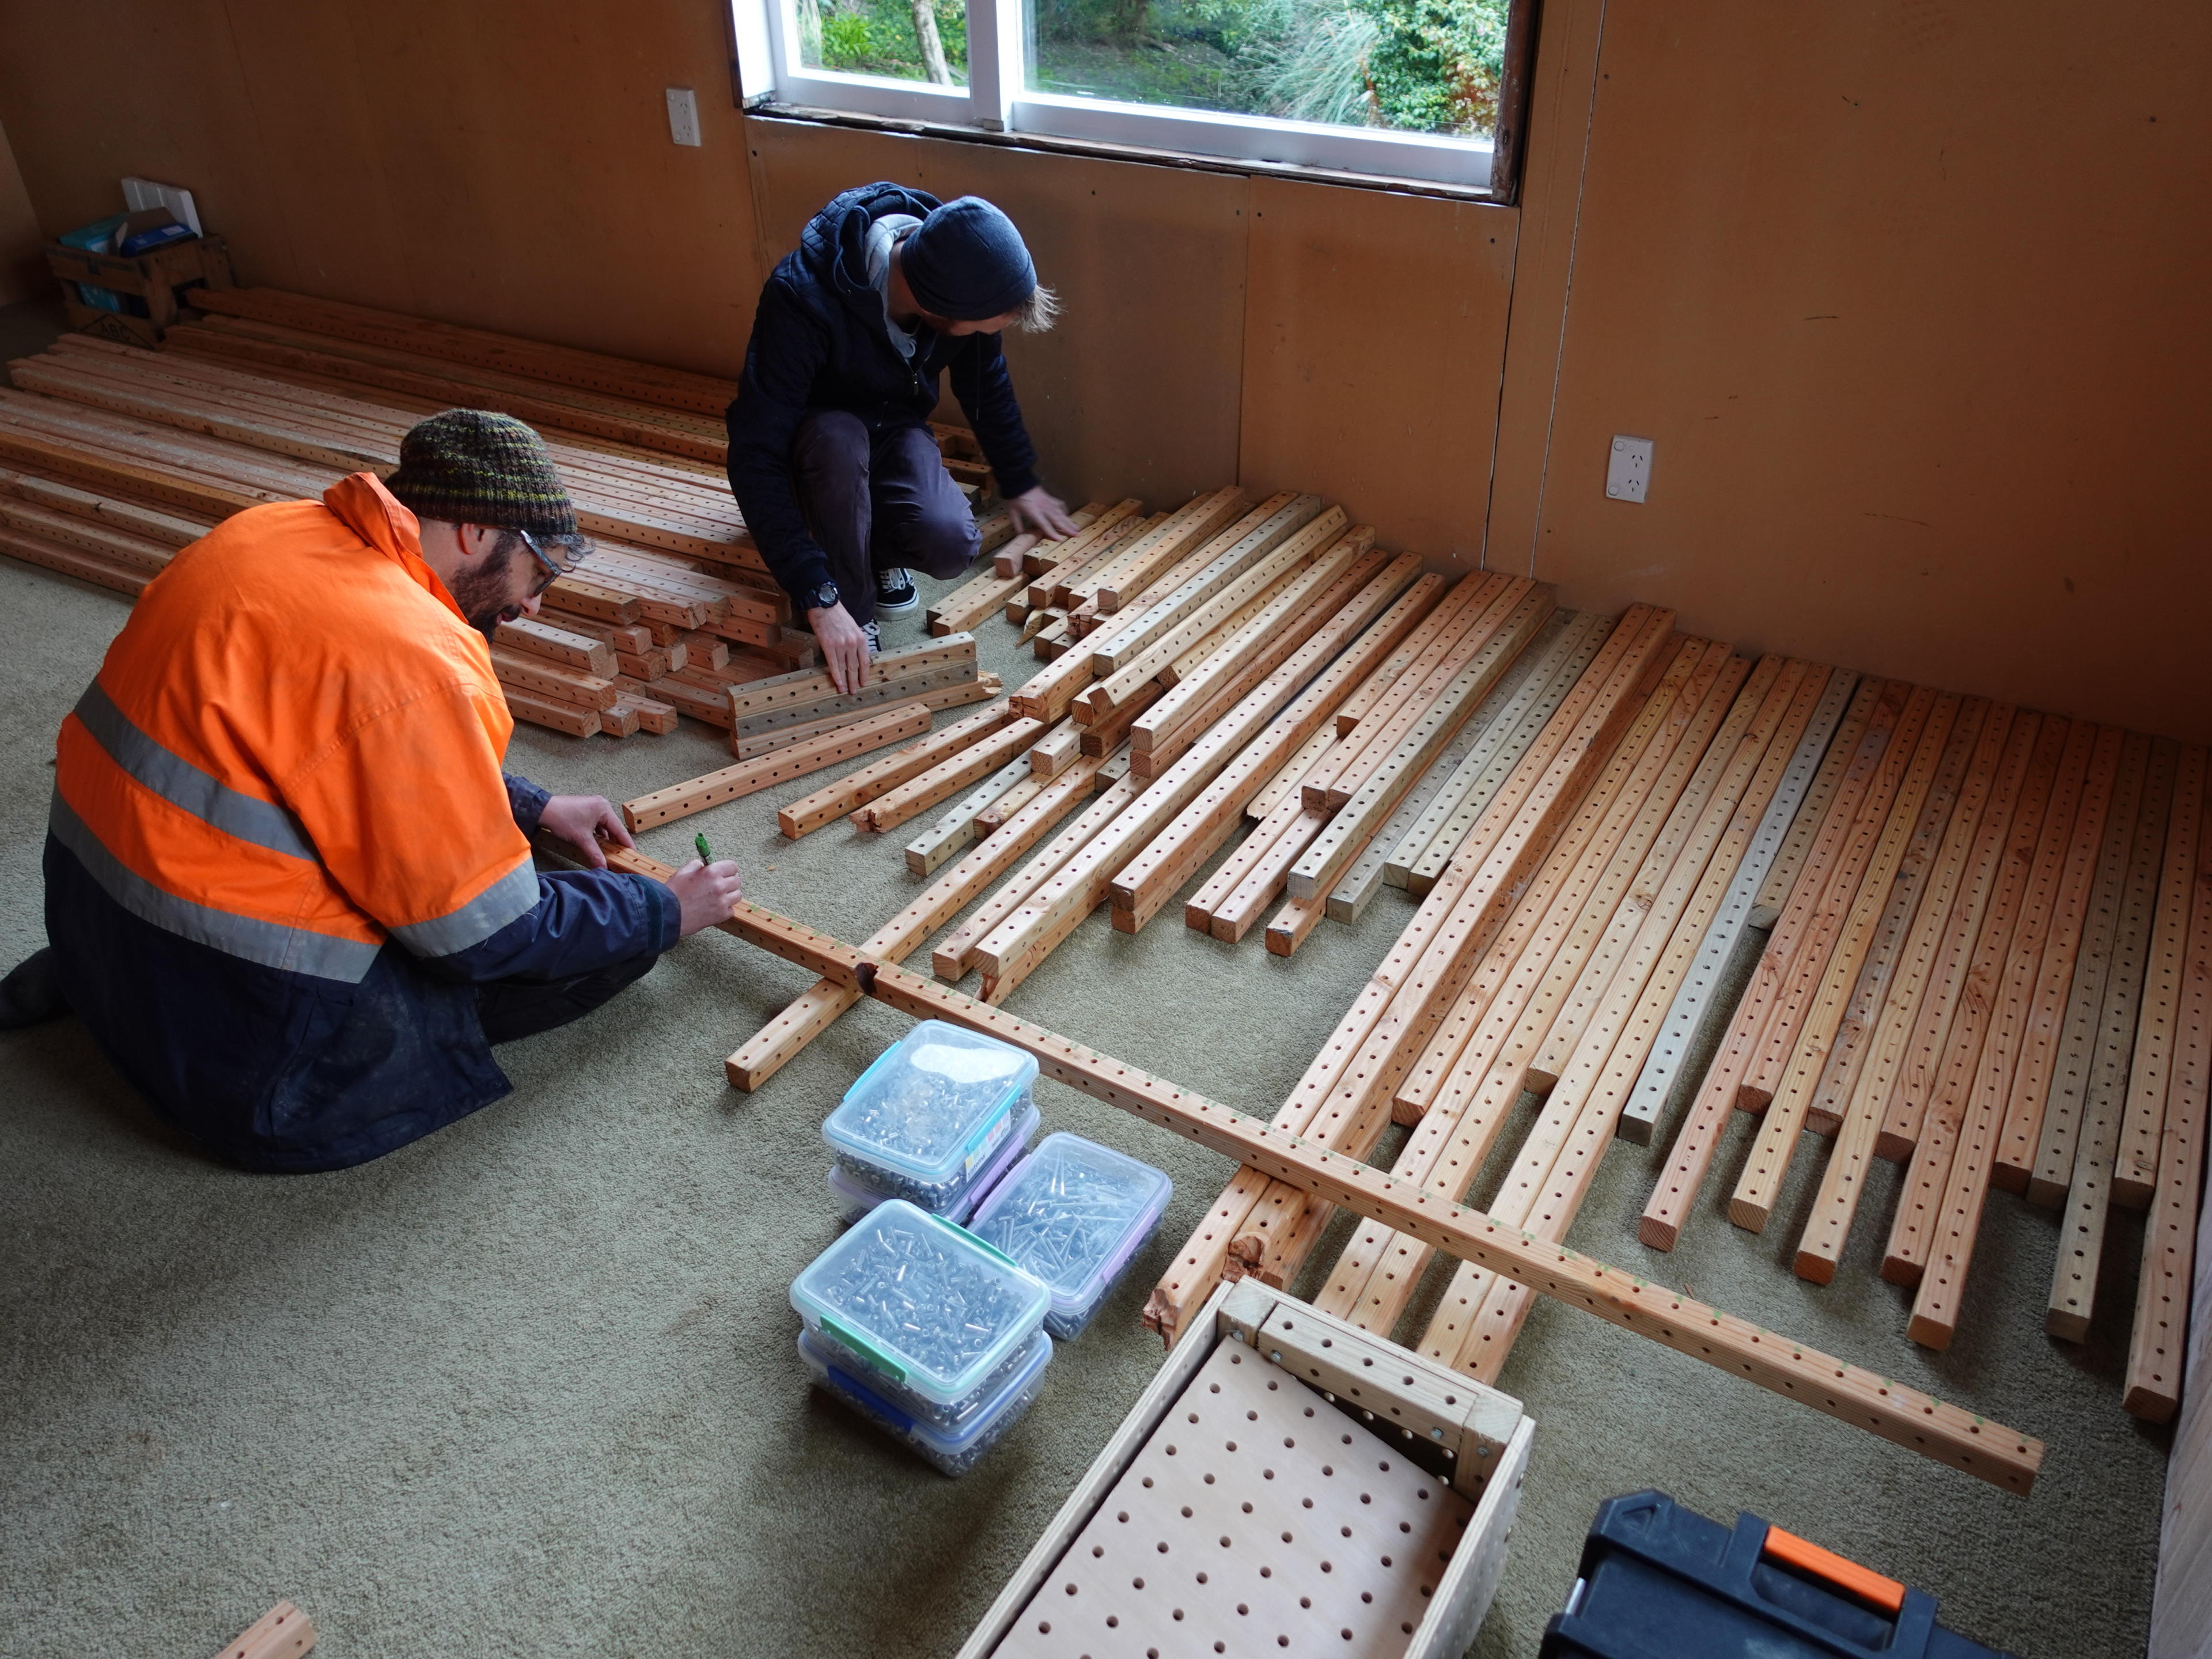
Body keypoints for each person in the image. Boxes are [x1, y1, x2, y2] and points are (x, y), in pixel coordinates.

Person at [0, 410, 746, 1173]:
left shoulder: (271, 533)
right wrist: (664, 910)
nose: (534, 605)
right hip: (241, 1039)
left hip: (95, 929)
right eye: (539, 573)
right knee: (600, 940)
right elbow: (491, 935)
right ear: (472, 533)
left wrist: (531, 807)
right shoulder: (416, 656)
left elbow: (327, 738)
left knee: (540, 877)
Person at [726, 182, 1081, 694]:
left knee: (950, 541)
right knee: (838, 437)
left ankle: (867, 548)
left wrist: (1021, 479)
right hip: (815, 450)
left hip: (891, 427)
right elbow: (754, 453)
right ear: (938, 304)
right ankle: (851, 598)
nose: (984, 337)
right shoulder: (800, 297)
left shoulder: (957, 271)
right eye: (979, 328)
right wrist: (818, 595)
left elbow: (988, 387)